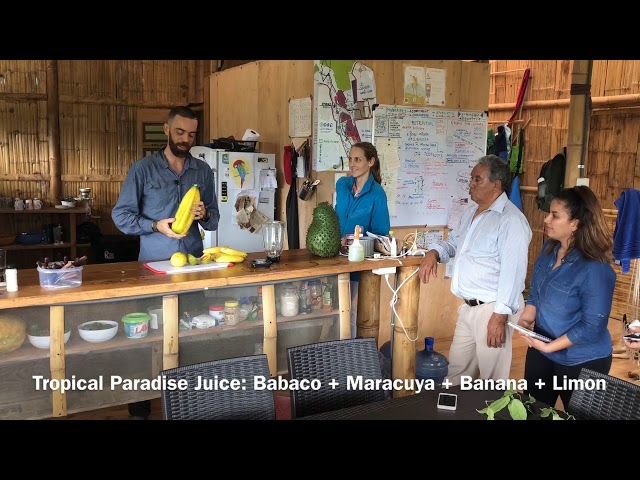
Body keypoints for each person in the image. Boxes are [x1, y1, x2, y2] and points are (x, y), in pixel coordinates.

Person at [112, 105, 220, 419]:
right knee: (148, 340)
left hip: (192, 268)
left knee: (192, 335)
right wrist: (154, 225)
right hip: (152, 271)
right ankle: (141, 407)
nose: (186, 139)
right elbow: (121, 216)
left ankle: (189, 403)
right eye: (180, 132)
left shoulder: (203, 171)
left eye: (191, 134)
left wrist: (206, 215)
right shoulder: (143, 169)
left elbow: (213, 221)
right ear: (166, 129)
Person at [418, 154, 532, 385]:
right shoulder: (473, 212)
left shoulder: (511, 221)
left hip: (492, 311)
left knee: (492, 382)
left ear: (496, 185)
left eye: (476, 179)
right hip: (468, 310)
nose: (470, 184)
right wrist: (434, 252)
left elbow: (513, 273)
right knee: (457, 377)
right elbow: (454, 243)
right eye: (471, 178)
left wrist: (499, 317)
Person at [518, 186, 616, 409]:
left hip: (582, 361)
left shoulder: (595, 268)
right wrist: (526, 319)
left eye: (555, 215)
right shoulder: (548, 250)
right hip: (542, 348)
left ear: (576, 223)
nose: (546, 220)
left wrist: (550, 347)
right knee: (531, 410)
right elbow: (535, 293)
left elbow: (592, 327)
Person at [334, 141, 390, 338]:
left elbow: (381, 234)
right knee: (330, 308)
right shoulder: (342, 185)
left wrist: (354, 243)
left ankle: (348, 353)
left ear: (371, 162)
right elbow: (335, 217)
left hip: (356, 262)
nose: (352, 164)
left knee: (346, 308)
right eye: (350, 159)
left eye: (358, 159)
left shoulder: (377, 194)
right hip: (332, 258)